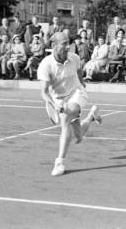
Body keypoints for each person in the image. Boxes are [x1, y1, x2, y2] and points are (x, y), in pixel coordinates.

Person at [37, 32, 102, 176]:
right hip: (58, 99)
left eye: (68, 43)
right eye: (64, 43)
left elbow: (78, 73)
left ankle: (59, 161)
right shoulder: (46, 65)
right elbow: (44, 92)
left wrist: (82, 82)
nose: (68, 47)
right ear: (54, 45)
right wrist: (54, 104)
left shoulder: (75, 58)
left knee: (66, 117)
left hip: (76, 93)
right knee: (78, 136)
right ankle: (91, 116)